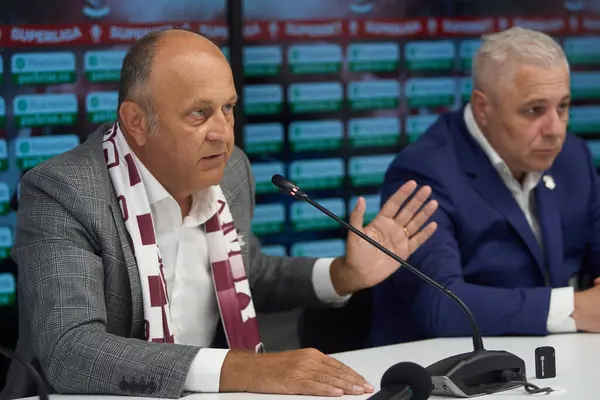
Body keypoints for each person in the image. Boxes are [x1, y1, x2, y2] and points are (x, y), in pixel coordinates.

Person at [1, 29, 439, 400]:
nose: (223, 134)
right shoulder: (63, 191)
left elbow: (245, 274)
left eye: (228, 109)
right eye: (200, 113)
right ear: (136, 122)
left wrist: (342, 274)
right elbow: (71, 349)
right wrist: (244, 369)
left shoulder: (229, 172)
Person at [370, 27, 600, 347]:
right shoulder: (424, 173)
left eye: (562, 106)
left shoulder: (572, 156)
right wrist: (573, 309)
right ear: (483, 107)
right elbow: (442, 306)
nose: (555, 129)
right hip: (447, 375)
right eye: (534, 110)